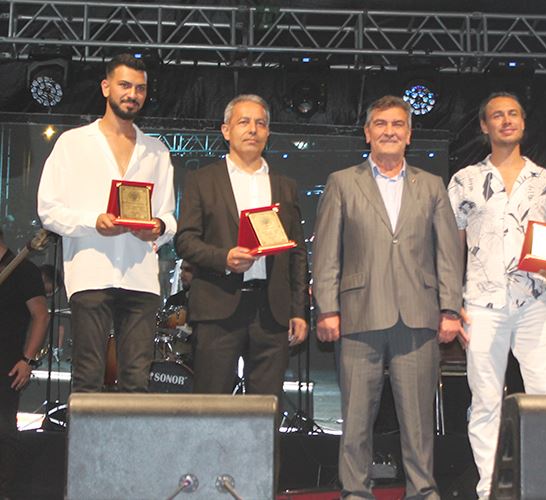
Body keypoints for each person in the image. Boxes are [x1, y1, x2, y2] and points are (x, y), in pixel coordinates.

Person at [313, 95, 463, 499]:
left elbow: (448, 254)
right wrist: (327, 308)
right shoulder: (342, 182)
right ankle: (354, 492)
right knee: (356, 419)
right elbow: (326, 253)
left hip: (418, 317)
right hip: (358, 315)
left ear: (409, 134)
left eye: (398, 124)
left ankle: (423, 491)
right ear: (367, 133)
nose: (389, 131)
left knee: (418, 421)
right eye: (380, 124)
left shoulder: (431, 185)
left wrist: (450, 308)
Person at [447, 92, 546, 499]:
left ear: (523, 122)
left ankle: (544, 488)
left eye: (513, 114)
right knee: (486, 401)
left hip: (535, 302)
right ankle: (489, 490)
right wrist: (451, 304)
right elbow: (451, 248)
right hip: (481, 304)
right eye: (497, 115)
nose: (506, 120)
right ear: (484, 126)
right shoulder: (464, 180)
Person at [37, 53, 176, 393]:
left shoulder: (157, 151)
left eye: (140, 88)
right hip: (91, 273)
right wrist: (92, 223)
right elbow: (48, 210)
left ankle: (130, 434)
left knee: (136, 383)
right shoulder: (72, 144)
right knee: (87, 378)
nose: (133, 94)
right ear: (105, 87)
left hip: (140, 277)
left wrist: (157, 228)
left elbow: (168, 217)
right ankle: (85, 433)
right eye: (125, 85)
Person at [174, 94, 308, 397]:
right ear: (226, 130)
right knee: (211, 405)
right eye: (244, 122)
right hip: (217, 308)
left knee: (265, 408)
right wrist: (223, 258)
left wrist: (298, 311)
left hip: (272, 311)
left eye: (260, 123)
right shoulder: (202, 180)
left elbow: (297, 254)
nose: (253, 129)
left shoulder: (285, 186)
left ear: (268, 132)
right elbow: (185, 241)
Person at [0, 228, 49, 497]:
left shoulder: (23, 269)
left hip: (7, 362)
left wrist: (27, 360)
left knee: (4, 429)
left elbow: (41, 315)